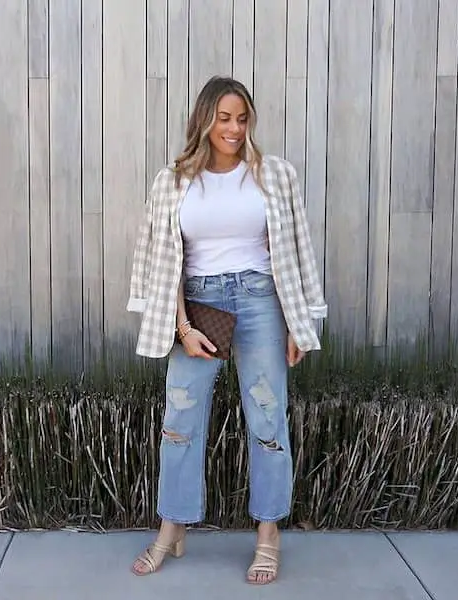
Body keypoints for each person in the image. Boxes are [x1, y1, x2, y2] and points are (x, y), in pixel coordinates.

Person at [126, 76, 327, 584]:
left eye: (241, 118)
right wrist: (182, 325)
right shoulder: (171, 180)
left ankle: (268, 534)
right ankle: (171, 529)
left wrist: (299, 322)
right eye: (224, 118)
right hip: (200, 304)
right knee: (181, 420)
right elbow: (160, 258)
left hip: (261, 300)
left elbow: (299, 249)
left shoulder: (274, 175)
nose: (234, 128)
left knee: (267, 419)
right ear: (204, 120)